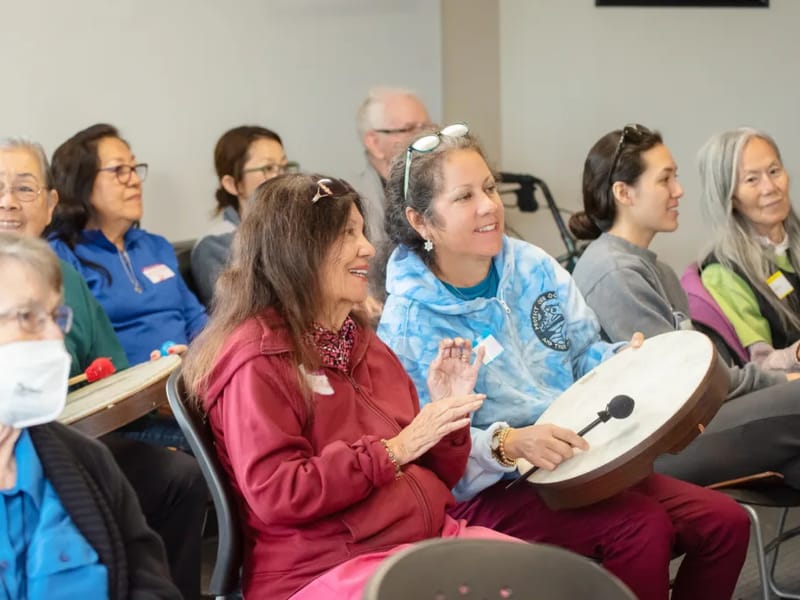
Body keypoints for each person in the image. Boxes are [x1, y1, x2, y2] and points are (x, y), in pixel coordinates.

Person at [377, 125, 750, 600]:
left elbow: (582, 353)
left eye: (490, 188)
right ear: (421, 222)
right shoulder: (410, 320)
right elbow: (428, 448)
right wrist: (508, 443)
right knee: (642, 529)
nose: (490, 206)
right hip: (491, 491)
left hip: (581, 463)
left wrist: (623, 359)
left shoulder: (531, 265)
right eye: (464, 197)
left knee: (726, 524)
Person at [181, 174, 523, 600]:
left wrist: (447, 416)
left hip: (420, 542)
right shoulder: (258, 357)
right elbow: (280, 492)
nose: (367, 247)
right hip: (325, 569)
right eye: (347, 234)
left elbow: (433, 476)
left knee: (556, 583)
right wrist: (394, 449)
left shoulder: (360, 340)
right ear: (297, 250)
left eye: (362, 231)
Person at [0, 135, 207, 598]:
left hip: (76, 439)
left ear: (52, 203)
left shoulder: (66, 277)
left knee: (180, 478)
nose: (8, 203)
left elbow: (110, 371)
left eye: (24, 189)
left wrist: (154, 376)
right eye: (26, 318)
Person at [570, 124, 800, 488]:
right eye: (665, 180)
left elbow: (708, 372)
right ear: (624, 193)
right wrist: (784, 378)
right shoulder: (613, 272)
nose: (679, 191)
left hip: (697, 419)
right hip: (660, 444)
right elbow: (689, 384)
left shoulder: (655, 268)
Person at [0, 231, 180, 599]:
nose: (54, 335)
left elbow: (150, 585)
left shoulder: (83, 459)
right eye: (28, 317)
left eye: (54, 316)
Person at [47, 123, 208, 365]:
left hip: (187, 377)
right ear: (82, 183)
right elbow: (77, 348)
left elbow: (196, 319)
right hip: (124, 393)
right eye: (119, 170)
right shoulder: (62, 255)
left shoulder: (156, 246)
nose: (134, 180)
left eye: (134, 168)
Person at [697, 128, 800, 371]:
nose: (770, 187)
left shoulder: (792, 241)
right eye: (752, 179)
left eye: (774, 172)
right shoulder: (724, 272)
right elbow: (762, 365)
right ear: (729, 195)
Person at [191, 125, 297, 306]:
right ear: (232, 184)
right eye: (268, 168)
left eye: (284, 167)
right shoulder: (213, 246)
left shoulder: (296, 231)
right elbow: (240, 312)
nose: (282, 178)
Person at [355, 87, 433, 301]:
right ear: (373, 142)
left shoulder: (439, 190)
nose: (425, 138)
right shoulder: (353, 202)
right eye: (409, 129)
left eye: (427, 127)